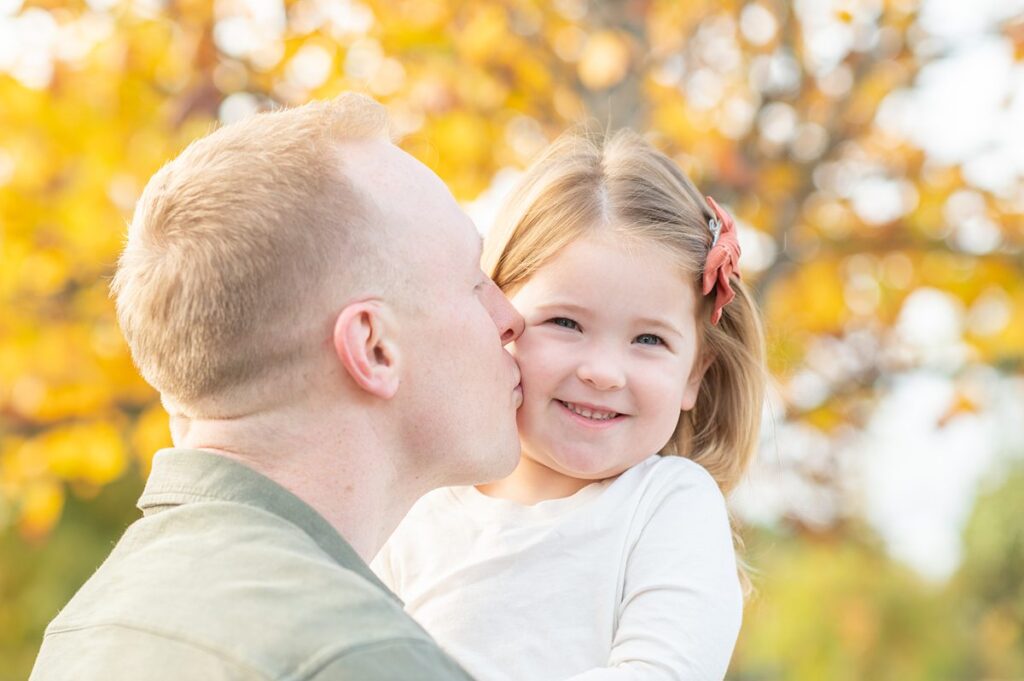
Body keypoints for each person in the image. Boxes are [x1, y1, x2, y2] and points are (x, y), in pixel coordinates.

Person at [30, 93, 525, 680]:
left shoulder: (93, 626)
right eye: (473, 283)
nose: (511, 318)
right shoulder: (356, 656)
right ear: (373, 348)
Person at [373, 130, 767, 681]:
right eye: (566, 323)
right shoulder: (415, 511)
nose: (602, 372)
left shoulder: (666, 506)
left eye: (649, 340)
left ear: (694, 377)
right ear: (498, 318)